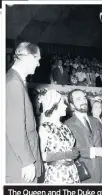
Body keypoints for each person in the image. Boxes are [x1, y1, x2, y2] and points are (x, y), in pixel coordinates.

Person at [6, 42, 43, 183]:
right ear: (28, 57)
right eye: (37, 59)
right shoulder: (13, 83)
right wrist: (27, 161)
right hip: (19, 166)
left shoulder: (14, 80)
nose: (38, 64)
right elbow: (15, 128)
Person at [65, 89, 102, 183]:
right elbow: (70, 152)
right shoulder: (67, 125)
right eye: (78, 99)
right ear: (72, 105)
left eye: (84, 98)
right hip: (86, 176)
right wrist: (93, 151)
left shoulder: (96, 121)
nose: (83, 101)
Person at [39, 90, 80, 184]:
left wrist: (75, 152)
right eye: (63, 104)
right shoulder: (45, 128)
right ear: (54, 106)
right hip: (56, 175)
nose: (66, 106)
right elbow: (41, 155)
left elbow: (69, 149)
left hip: (72, 172)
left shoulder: (65, 127)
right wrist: (65, 155)